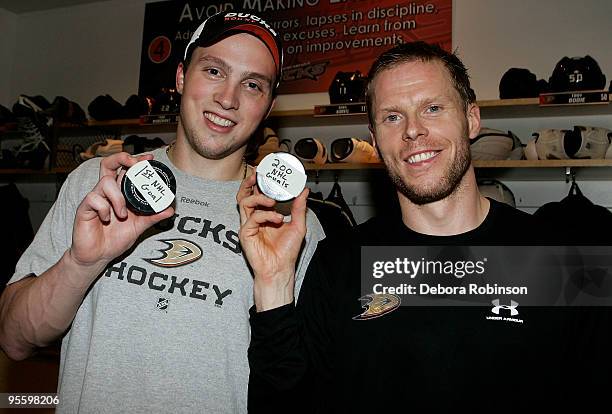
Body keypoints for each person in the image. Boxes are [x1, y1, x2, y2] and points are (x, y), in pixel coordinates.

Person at [239, 41, 612, 411]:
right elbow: (284, 402)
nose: (412, 131)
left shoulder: (562, 261)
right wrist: (272, 285)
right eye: (392, 117)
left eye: (432, 108)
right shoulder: (339, 262)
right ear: (374, 138)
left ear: (472, 119)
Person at [0, 11, 324, 413]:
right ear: (181, 77)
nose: (228, 98)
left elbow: (304, 384)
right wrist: (82, 263)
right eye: (213, 71)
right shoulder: (101, 183)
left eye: (252, 84)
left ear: (268, 105)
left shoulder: (291, 223)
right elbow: (15, 340)